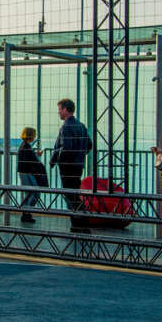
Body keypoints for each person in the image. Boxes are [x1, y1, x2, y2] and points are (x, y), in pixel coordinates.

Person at [50, 98, 92, 233]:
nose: (58, 112)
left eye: (59, 110)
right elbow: (89, 145)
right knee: (75, 194)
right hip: (78, 165)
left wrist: (58, 161)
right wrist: (80, 155)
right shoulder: (81, 126)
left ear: (65, 109)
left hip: (67, 166)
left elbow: (65, 148)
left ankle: (80, 224)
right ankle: (79, 225)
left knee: (70, 196)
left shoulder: (66, 127)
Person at [17, 127, 47, 224]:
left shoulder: (24, 146)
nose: (34, 136)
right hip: (27, 173)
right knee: (35, 192)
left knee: (29, 194)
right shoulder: (26, 147)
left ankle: (25, 213)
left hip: (23, 172)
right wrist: (37, 156)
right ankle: (27, 212)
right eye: (34, 135)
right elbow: (29, 160)